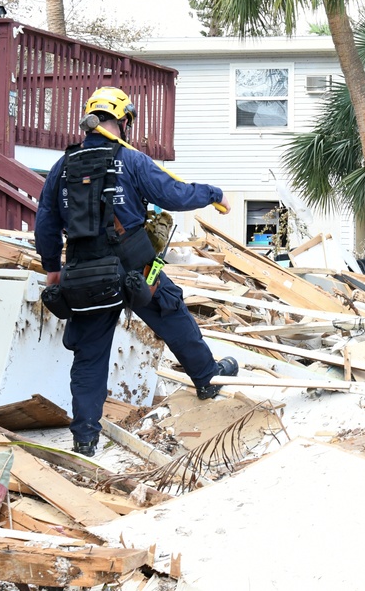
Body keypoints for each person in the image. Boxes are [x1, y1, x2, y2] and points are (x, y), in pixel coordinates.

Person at [35, 86, 239, 457]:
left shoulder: (62, 166)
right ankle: (206, 378)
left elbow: (46, 222)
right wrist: (214, 194)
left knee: (89, 355)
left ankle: (84, 437)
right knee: (172, 313)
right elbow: (174, 194)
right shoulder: (130, 160)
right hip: (134, 266)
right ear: (124, 120)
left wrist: (53, 269)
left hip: (82, 273)